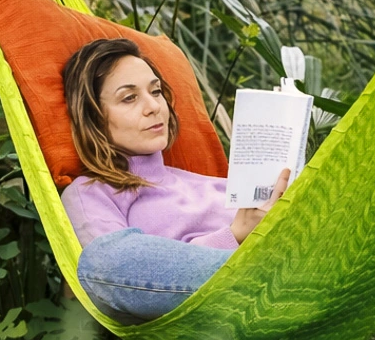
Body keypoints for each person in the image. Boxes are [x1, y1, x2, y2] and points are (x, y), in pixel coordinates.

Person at [61, 37, 289, 323]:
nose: (154, 106)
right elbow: (111, 270)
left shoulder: (213, 184)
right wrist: (234, 236)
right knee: (103, 261)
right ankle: (265, 272)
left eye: (156, 92)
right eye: (129, 97)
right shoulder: (91, 192)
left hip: (288, 264)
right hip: (233, 304)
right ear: (93, 117)